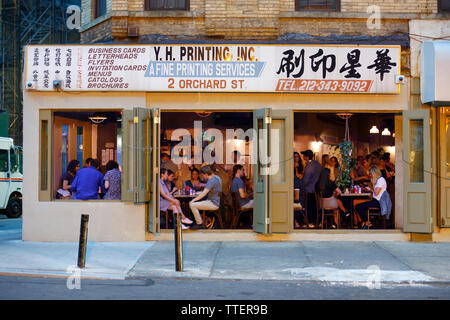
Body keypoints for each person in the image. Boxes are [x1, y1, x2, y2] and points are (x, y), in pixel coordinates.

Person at [301, 149, 322, 228]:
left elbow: (306, 178)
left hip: (309, 189)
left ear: (306, 157)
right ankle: (315, 222)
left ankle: (310, 222)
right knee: (315, 206)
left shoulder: (309, 165)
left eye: (304, 155)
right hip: (316, 189)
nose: (303, 156)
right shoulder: (317, 164)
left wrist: (302, 185)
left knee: (309, 207)